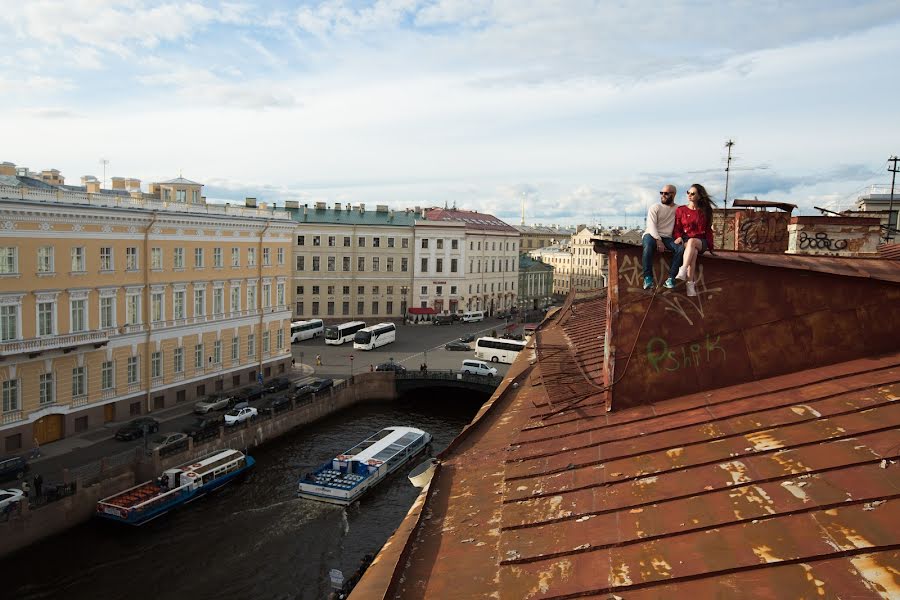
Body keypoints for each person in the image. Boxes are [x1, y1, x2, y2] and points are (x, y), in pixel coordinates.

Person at [672, 183, 716, 297]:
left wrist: (711, 247)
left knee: (693, 243)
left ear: (699, 196)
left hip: (701, 241)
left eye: (693, 193)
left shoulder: (705, 211)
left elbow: (708, 229)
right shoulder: (680, 210)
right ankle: (690, 285)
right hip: (686, 240)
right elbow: (677, 227)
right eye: (688, 192)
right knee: (693, 251)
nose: (689, 195)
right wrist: (677, 237)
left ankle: (683, 269)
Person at [641, 184, 678, 289]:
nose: (663, 195)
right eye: (661, 193)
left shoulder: (678, 209)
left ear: (673, 194)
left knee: (680, 249)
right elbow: (651, 226)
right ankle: (648, 278)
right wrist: (658, 240)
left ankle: (671, 278)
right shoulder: (655, 207)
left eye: (666, 193)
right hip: (651, 235)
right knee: (648, 246)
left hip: (667, 237)